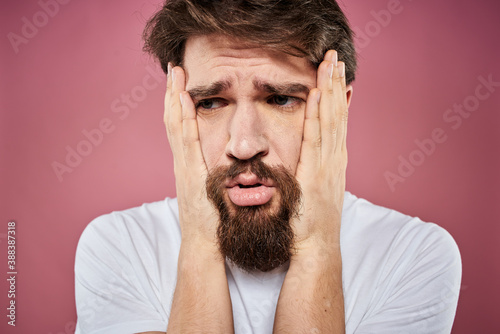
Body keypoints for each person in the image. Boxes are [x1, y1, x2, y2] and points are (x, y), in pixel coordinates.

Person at [74, 1, 462, 333]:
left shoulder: (414, 254)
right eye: (210, 102)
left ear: (337, 109)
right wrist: (199, 241)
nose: (243, 145)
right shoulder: (118, 246)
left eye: (279, 99)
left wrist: (316, 245)